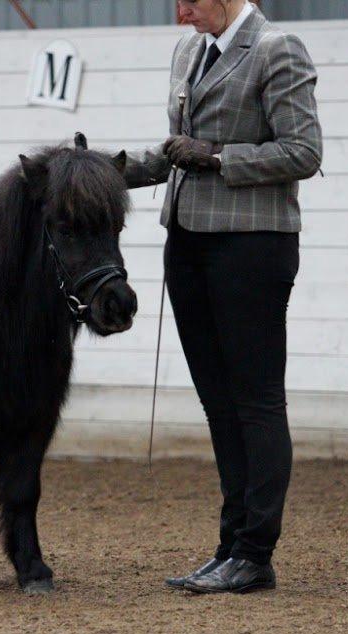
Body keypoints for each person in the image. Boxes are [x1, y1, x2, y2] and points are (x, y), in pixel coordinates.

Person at [122, 0, 322, 593]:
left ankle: (255, 552)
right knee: (218, 403)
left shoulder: (275, 49)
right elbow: (176, 151)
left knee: (256, 403)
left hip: (251, 248)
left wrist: (216, 157)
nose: (181, 15)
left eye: (190, 1)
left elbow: (304, 152)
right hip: (187, 245)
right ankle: (230, 546)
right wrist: (109, 168)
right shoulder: (190, 51)